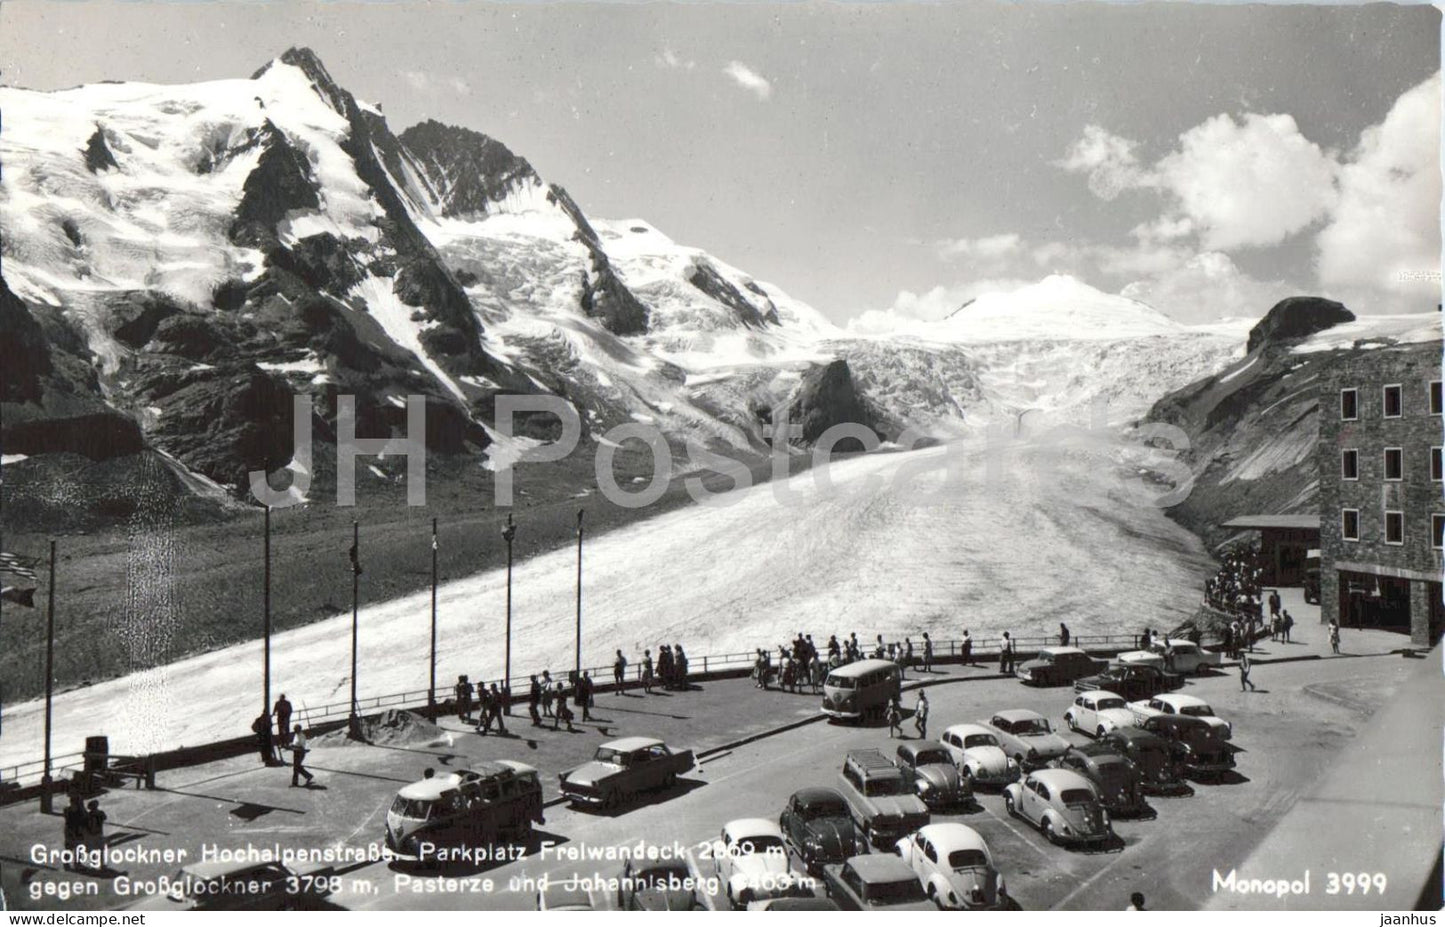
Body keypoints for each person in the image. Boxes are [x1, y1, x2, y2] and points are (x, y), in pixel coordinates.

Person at [62, 792, 85, 870]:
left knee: (69, 847)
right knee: (76, 847)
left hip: (69, 829)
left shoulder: (66, 809)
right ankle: (77, 864)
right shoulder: (80, 811)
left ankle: (66, 863)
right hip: (75, 829)